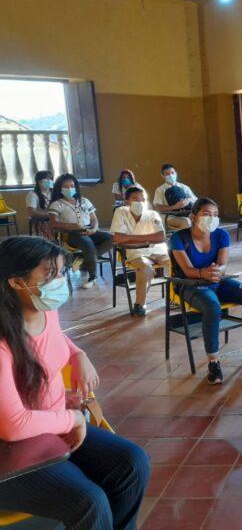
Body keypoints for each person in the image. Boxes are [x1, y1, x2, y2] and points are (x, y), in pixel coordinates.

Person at [0, 236, 150, 529]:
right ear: (17, 282)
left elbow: (52, 340)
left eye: (61, 272)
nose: (60, 282)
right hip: (10, 452)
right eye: (51, 275)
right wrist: (72, 419)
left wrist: (78, 354)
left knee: (132, 463)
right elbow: (14, 425)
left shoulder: (44, 310)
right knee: (89, 503)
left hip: (50, 429)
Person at [170, 198, 242, 385]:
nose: (212, 218)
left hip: (217, 281)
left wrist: (217, 272)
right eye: (206, 214)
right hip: (189, 284)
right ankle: (213, 361)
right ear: (193, 217)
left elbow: (222, 265)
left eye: (215, 215)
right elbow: (187, 270)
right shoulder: (178, 238)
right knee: (212, 307)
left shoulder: (221, 235)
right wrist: (204, 272)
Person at [110, 186, 170, 317]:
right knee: (145, 267)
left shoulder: (152, 214)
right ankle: (140, 304)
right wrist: (147, 239)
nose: (140, 202)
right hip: (135, 252)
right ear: (126, 201)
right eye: (135, 199)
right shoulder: (121, 212)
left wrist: (130, 237)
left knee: (176, 262)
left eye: (143, 199)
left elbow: (160, 237)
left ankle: (176, 298)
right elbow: (119, 239)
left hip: (158, 250)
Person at [48, 174, 113, 289]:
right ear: (60, 188)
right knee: (88, 245)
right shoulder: (57, 204)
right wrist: (73, 226)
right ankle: (92, 277)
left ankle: (82, 260)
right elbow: (53, 224)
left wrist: (94, 229)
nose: (70, 189)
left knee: (111, 239)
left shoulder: (84, 201)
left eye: (72, 186)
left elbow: (94, 219)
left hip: (89, 230)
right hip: (71, 234)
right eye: (66, 186)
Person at [152, 164, 196, 230]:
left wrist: (188, 200)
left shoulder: (184, 187)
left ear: (176, 173)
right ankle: (181, 239)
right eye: (167, 174)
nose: (171, 175)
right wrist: (174, 207)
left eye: (172, 173)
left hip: (186, 214)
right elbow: (159, 208)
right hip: (169, 216)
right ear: (162, 176)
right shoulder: (160, 190)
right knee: (186, 222)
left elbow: (196, 201)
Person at [26, 170, 55, 240]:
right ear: (39, 181)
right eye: (47, 179)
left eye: (51, 179)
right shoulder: (33, 195)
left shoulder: (54, 193)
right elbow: (31, 212)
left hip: (54, 220)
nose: (50, 181)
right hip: (42, 222)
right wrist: (49, 214)